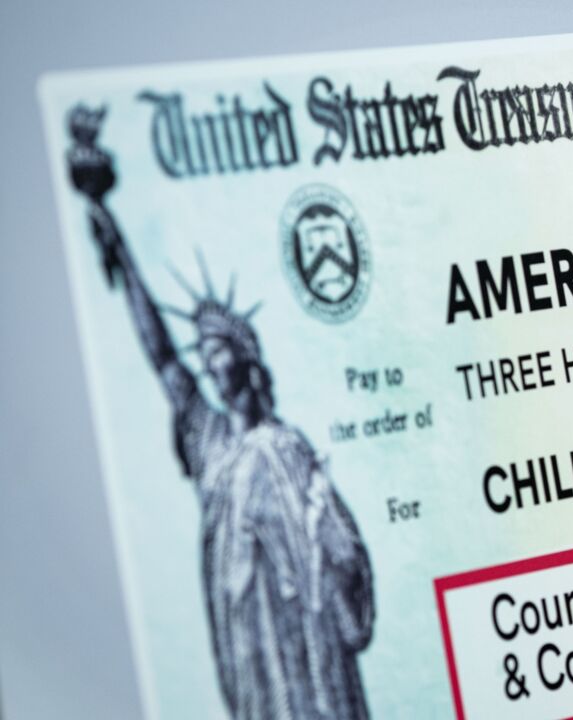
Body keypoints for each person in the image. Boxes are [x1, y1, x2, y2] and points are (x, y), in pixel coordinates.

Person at [66, 105, 376, 719]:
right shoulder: (210, 441)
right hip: (247, 648)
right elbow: (162, 360)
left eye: (218, 355)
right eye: (204, 356)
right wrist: (118, 246)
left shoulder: (286, 450)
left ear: (247, 363)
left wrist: (328, 558)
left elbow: (340, 550)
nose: (209, 367)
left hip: (305, 654)